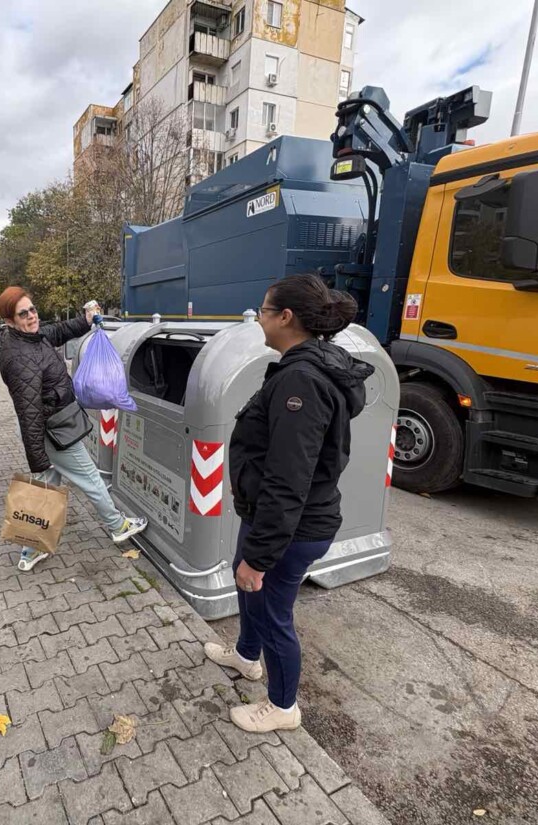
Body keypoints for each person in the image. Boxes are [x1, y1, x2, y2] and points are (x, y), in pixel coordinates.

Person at [205, 274, 373, 734]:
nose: (258, 318)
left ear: (286, 317)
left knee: (271, 611)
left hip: (292, 527)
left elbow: (288, 478)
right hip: (268, 517)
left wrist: (260, 557)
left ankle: (282, 707)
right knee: (247, 587)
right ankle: (245, 656)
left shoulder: (302, 378)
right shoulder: (298, 365)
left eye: (263, 310)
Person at [0, 287, 147, 571]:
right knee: (90, 477)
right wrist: (38, 456)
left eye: (32, 310)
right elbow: (28, 413)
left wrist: (86, 319)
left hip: (53, 427)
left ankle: (30, 551)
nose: (31, 316)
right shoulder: (18, 358)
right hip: (53, 432)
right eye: (23, 314)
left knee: (45, 488)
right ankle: (118, 525)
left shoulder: (32, 337)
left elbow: (58, 332)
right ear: (10, 320)